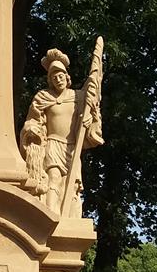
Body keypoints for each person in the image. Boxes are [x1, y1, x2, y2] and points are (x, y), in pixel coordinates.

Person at [20, 49, 104, 215]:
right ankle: (50, 215)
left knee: (72, 185)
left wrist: (90, 119)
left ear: (67, 77)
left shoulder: (78, 97)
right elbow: (33, 120)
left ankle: (70, 217)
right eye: (54, 78)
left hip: (72, 147)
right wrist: (32, 129)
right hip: (52, 144)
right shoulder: (43, 97)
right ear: (50, 80)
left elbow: (91, 105)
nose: (58, 80)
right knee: (54, 178)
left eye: (60, 76)